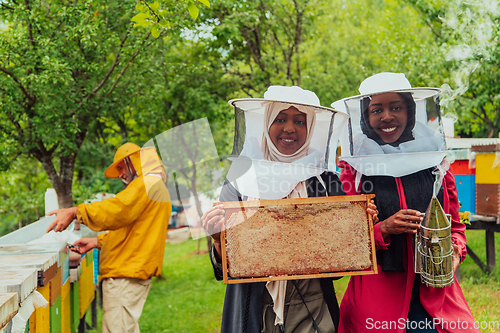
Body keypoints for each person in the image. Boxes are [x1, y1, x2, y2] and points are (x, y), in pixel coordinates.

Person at [202, 85, 376, 333]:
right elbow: (226, 267)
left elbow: (338, 266)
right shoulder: (241, 177)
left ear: (311, 127)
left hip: (313, 309)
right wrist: (219, 241)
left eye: (300, 121)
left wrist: (357, 231)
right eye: (280, 118)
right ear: (266, 123)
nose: (290, 128)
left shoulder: (324, 180)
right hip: (253, 308)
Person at [333, 73, 478, 333]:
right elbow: (344, 245)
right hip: (377, 302)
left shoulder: (437, 164)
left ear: (410, 112)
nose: (387, 116)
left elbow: (455, 227)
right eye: (376, 109)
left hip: (438, 297)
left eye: (396, 107)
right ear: (365, 118)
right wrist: (383, 229)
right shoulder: (352, 171)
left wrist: (455, 251)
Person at [46, 142, 172, 333]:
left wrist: (75, 212)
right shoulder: (153, 186)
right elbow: (133, 231)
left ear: (133, 161)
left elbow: (116, 210)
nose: (120, 174)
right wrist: (97, 242)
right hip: (128, 273)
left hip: (125, 276)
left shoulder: (146, 184)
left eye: (121, 167)